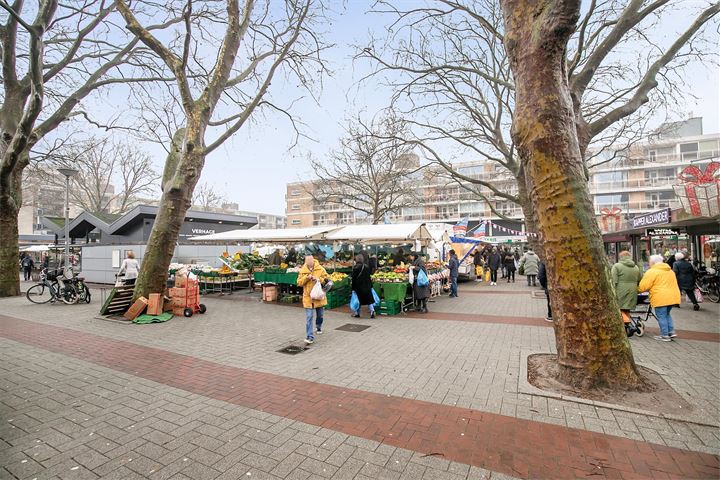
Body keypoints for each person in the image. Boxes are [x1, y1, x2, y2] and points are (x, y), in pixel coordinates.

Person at [638, 254, 681, 342]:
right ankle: (671, 332)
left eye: (650, 262)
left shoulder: (652, 271)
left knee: (661, 316)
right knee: (667, 314)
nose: (649, 263)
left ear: (653, 262)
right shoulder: (670, 271)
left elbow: (644, 286)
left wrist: (637, 290)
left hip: (660, 297)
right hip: (672, 296)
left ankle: (665, 335)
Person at [297, 255, 329, 344]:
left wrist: (318, 279)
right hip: (308, 298)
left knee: (320, 315)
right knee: (309, 317)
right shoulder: (303, 270)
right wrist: (306, 278)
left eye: (311, 261)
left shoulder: (321, 269)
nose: (310, 263)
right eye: (308, 261)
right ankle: (309, 336)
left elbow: (326, 280)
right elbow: (299, 282)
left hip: (318, 297)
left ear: (313, 260)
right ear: (306, 261)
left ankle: (318, 327)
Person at [611, 251, 641, 323]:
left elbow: (613, 280)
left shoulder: (616, 266)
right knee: (627, 308)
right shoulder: (636, 267)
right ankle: (627, 326)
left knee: (618, 308)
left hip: (620, 290)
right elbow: (639, 279)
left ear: (620, 257)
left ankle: (628, 322)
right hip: (633, 290)